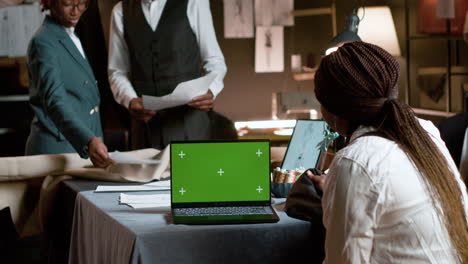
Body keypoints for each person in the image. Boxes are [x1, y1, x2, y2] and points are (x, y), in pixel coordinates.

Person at [307, 42, 468, 263]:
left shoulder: (354, 162)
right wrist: (338, 188)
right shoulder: (425, 132)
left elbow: (344, 260)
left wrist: (344, 183)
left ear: (334, 113)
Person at [108, 0, 227, 150]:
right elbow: (117, 71)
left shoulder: (195, 2)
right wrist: (130, 100)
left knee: (191, 173)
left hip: (189, 123)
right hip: (145, 127)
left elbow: (214, 60)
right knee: (145, 174)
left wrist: (211, 90)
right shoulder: (120, 10)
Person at [25, 0, 114, 168]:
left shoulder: (71, 34)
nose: (76, 11)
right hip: (56, 150)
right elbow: (55, 100)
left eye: (81, 4)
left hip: (78, 148)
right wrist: (88, 139)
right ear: (50, 3)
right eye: (68, 4)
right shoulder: (43, 42)